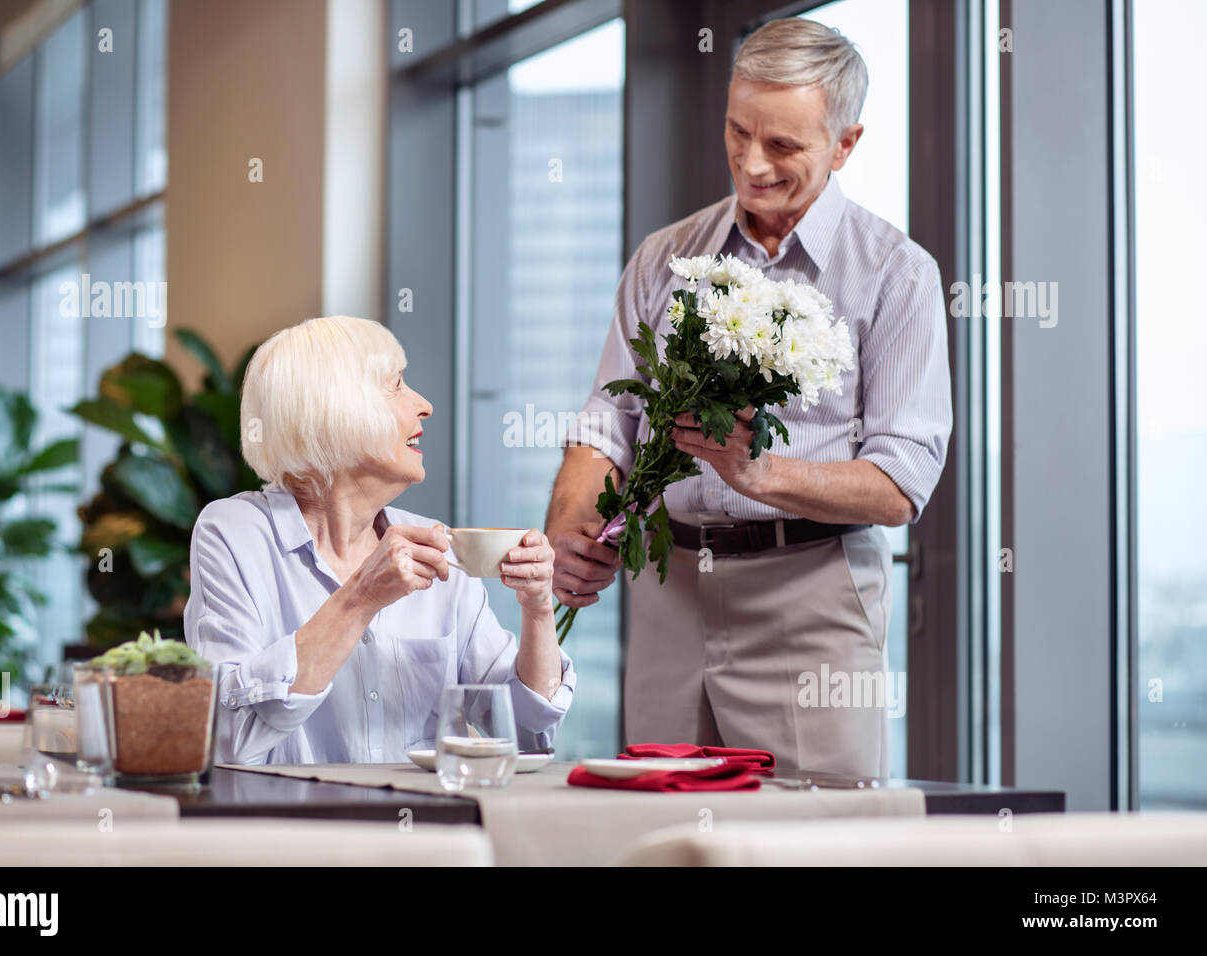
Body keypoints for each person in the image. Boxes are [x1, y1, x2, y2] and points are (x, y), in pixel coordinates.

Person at [547, 18, 952, 777]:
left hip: (813, 596)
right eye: (739, 132)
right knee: (663, 829)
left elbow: (900, 485)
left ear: (846, 144)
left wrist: (763, 475)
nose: (753, 163)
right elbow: (608, 421)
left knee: (818, 840)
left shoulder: (897, 275)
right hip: (670, 592)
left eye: (785, 145)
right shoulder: (664, 257)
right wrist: (573, 524)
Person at [185, 315, 575, 764]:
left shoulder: (435, 545)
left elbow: (529, 732)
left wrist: (539, 609)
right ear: (335, 409)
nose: (425, 405)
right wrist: (361, 597)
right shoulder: (234, 533)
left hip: (423, 830)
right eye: (396, 385)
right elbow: (226, 736)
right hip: (292, 829)